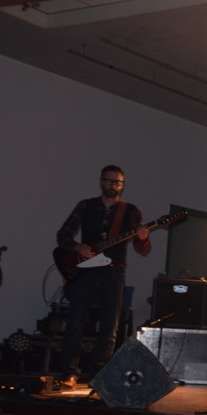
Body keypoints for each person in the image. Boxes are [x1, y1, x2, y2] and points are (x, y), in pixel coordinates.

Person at [56, 165, 151, 390]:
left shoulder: (131, 211)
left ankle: (98, 376)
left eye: (118, 182)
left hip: (114, 272)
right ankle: (69, 373)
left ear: (122, 185)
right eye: (110, 181)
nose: (114, 185)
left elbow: (143, 249)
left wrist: (143, 238)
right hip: (85, 270)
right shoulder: (86, 205)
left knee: (110, 327)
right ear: (101, 181)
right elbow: (63, 235)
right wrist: (78, 247)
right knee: (75, 322)